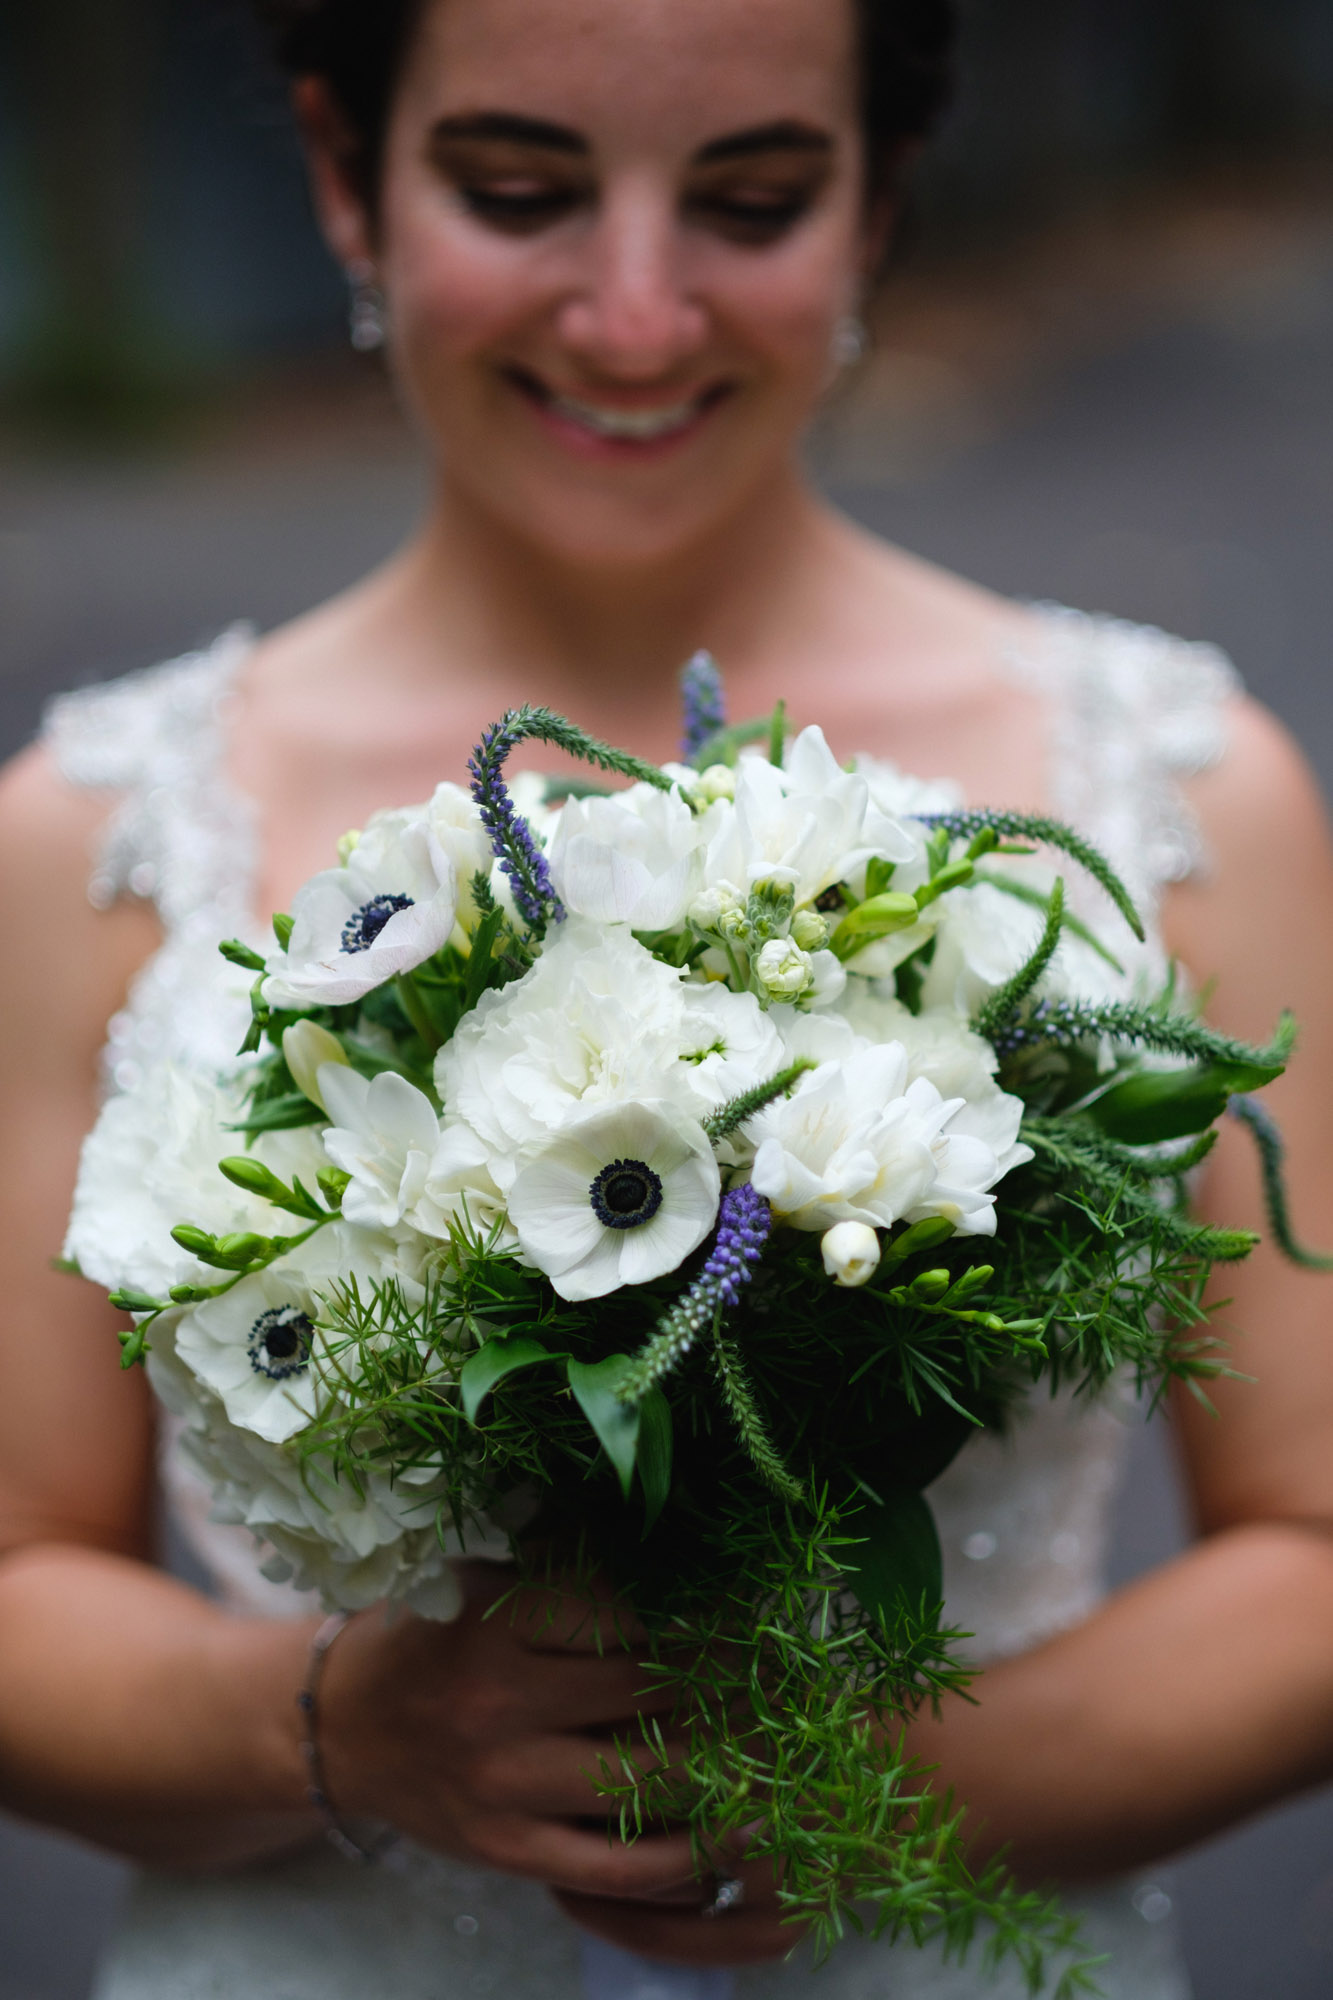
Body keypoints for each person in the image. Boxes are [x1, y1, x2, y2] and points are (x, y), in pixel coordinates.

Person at [3, 2, 1333, 1995]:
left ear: (877, 203)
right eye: (518, 190)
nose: (634, 316)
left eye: (753, 199)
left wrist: (862, 1788)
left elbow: (1314, 1550)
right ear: (345, 177)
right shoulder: (86, 839)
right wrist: (346, 1730)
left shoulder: (1180, 795)